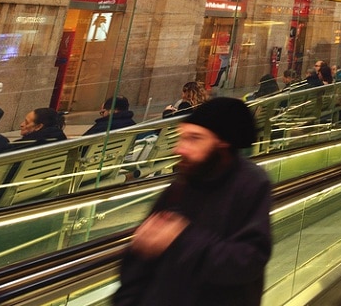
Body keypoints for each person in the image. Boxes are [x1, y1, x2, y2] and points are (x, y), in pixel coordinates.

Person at [114, 98, 272, 306]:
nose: (180, 149)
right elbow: (139, 263)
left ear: (222, 142)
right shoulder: (182, 184)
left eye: (194, 139)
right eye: (182, 138)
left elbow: (248, 261)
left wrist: (182, 239)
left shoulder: (251, 184)